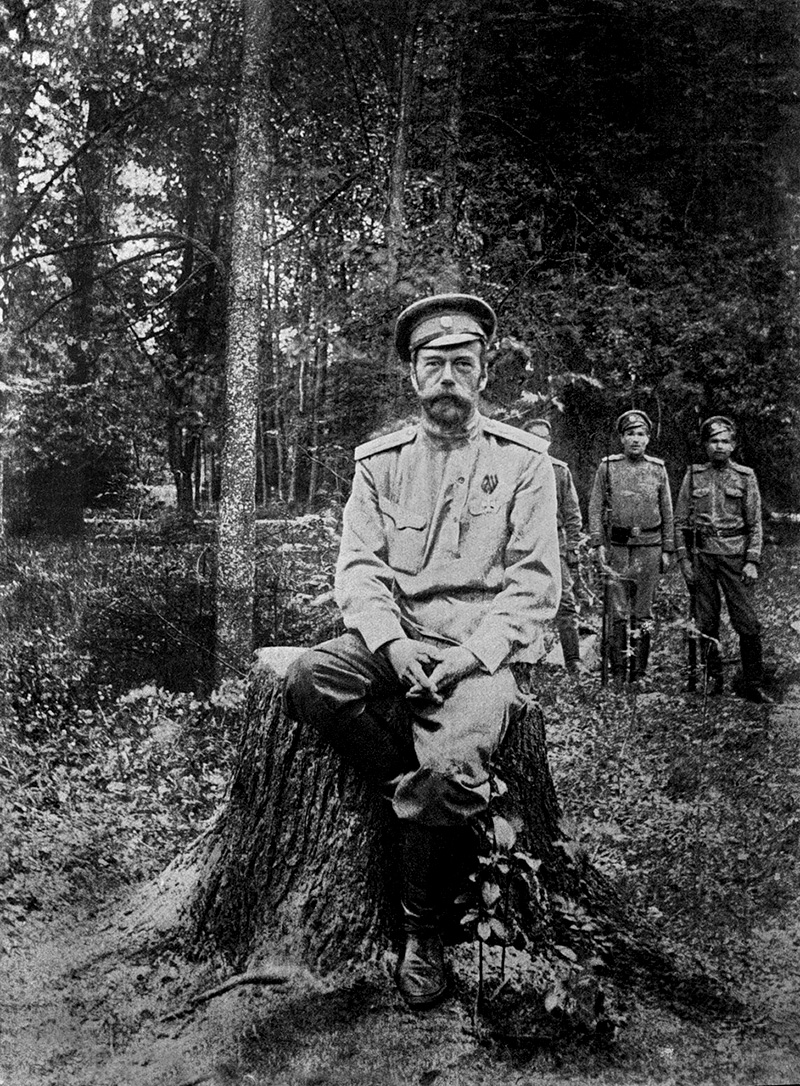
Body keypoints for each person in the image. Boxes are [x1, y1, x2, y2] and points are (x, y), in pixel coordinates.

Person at [284, 293, 560, 1010]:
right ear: (412, 374)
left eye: (461, 363)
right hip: (399, 637)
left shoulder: (525, 464)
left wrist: (470, 658)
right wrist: (392, 643)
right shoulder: (380, 463)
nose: (446, 376)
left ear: (484, 372)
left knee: (448, 766)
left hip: (480, 651)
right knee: (312, 678)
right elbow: (360, 569)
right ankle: (414, 788)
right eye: (432, 363)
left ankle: (422, 931)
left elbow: (534, 586)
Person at [674, 415, 770, 703]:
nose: (719, 446)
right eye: (713, 441)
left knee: (747, 622)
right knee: (706, 621)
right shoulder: (694, 476)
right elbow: (680, 522)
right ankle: (712, 679)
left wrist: (752, 560)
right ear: (705, 445)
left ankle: (752, 683)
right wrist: (684, 561)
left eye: (725, 441)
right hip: (703, 557)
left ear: (733, 445)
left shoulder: (745, 476)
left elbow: (755, 524)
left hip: (735, 558)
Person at [588, 410, 674, 682]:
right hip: (618, 547)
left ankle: (639, 670)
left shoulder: (657, 469)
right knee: (618, 610)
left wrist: (668, 549)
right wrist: (598, 543)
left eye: (640, 434)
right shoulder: (609, 467)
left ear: (648, 439)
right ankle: (619, 671)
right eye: (630, 434)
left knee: (644, 612)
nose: (635, 439)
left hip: (650, 547)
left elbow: (668, 511)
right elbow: (595, 507)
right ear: (622, 438)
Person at [528, 418, 585, 675]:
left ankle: (573, 659)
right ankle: (527, 657)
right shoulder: (514, 469)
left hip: (555, 546)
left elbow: (572, 515)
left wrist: (573, 547)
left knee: (565, 603)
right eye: (533, 436)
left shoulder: (560, 471)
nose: (539, 442)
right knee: (525, 601)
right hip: (525, 546)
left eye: (544, 437)